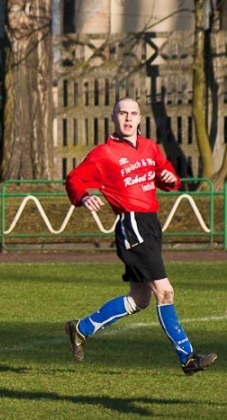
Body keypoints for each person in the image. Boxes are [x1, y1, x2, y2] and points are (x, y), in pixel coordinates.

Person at [64, 97, 217, 375]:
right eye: (123, 113)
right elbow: (74, 179)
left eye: (133, 114)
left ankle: (81, 328)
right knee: (165, 291)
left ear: (139, 118)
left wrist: (170, 178)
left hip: (150, 224)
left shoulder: (149, 147)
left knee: (140, 299)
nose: (128, 118)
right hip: (131, 222)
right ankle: (187, 357)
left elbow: (164, 172)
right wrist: (84, 196)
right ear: (114, 117)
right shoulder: (104, 154)